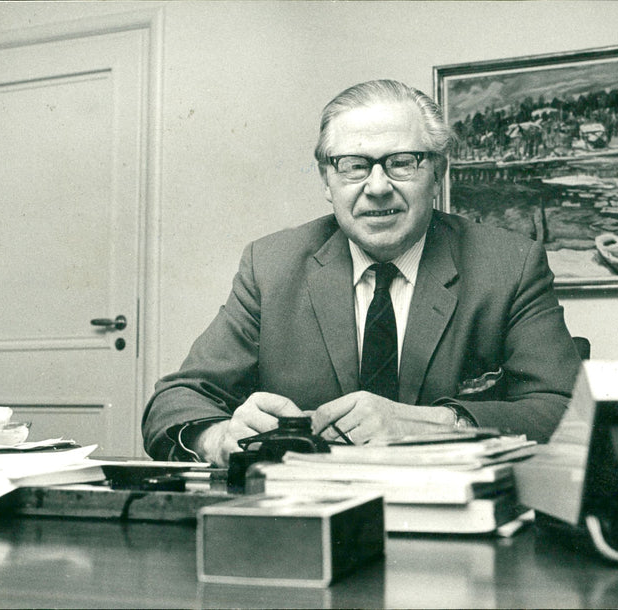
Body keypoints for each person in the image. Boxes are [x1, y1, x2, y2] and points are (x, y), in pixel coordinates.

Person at [142, 79, 581, 466]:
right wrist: (218, 439)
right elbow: (174, 401)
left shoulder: (509, 265)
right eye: (353, 165)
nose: (376, 187)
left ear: (438, 172)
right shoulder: (271, 266)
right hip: (309, 526)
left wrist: (442, 423)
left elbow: (565, 408)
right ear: (326, 181)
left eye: (402, 162)